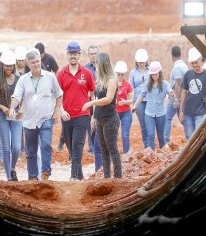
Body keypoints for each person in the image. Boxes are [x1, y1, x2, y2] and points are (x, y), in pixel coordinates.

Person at [8, 48, 63, 181]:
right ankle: (32, 177)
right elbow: (16, 96)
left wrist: (56, 111)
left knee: (45, 144)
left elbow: (59, 94)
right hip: (29, 120)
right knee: (31, 150)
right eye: (33, 62)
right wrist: (12, 108)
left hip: (46, 118)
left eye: (38, 61)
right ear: (28, 63)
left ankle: (45, 172)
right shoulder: (23, 80)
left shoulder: (50, 77)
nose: (36, 64)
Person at [56, 41, 96, 181]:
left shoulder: (87, 73)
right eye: (70, 53)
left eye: (75, 53)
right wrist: (61, 110)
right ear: (67, 55)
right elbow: (57, 95)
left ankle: (73, 176)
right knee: (71, 148)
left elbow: (92, 93)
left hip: (82, 115)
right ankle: (80, 175)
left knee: (77, 146)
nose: (73, 56)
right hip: (66, 116)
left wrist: (93, 115)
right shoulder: (61, 74)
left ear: (79, 55)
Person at [82, 52, 122, 178]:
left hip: (110, 119)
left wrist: (90, 103)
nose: (96, 66)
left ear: (103, 64)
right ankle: (106, 177)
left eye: (97, 64)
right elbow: (99, 100)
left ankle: (118, 178)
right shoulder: (100, 80)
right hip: (100, 119)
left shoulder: (112, 80)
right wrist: (93, 117)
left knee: (112, 149)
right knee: (103, 150)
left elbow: (108, 99)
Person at [0, 49, 22, 181]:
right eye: (6, 65)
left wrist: (22, 109)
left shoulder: (19, 79)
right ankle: (9, 177)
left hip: (16, 116)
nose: (9, 68)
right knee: (6, 146)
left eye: (11, 65)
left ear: (13, 65)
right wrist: (2, 107)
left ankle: (12, 168)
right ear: (2, 65)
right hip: (2, 115)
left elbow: (24, 97)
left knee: (16, 147)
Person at [131, 61, 175, 150]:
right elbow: (142, 95)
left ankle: (163, 158)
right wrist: (135, 105)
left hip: (161, 114)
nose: (154, 76)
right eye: (152, 74)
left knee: (161, 137)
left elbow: (171, 93)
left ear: (159, 73)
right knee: (150, 135)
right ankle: (152, 155)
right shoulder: (147, 84)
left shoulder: (165, 84)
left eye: (156, 74)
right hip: (149, 114)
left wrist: (173, 96)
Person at [179, 48, 206, 141]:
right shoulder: (187, 74)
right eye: (192, 63)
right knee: (190, 138)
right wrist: (181, 110)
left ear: (201, 60)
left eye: (196, 62)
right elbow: (184, 92)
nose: (194, 65)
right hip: (188, 112)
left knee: (199, 137)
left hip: (200, 112)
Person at [164, 45, 189, 144]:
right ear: (180, 54)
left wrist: (177, 100)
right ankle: (189, 138)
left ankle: (165, 141)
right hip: (183, 96)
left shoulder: (176, 68)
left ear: (172, 56)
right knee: (182, 118)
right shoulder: (185, 66)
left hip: (176, 97)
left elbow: (178, 83)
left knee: (168, 118)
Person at [128, 48, 150, 148]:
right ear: (137, 61)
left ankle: (151, 145)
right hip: (138, 101)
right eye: (140, 62)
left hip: (149, 100)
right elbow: (130, 88)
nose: (141, 64)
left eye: (143, 62)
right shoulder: (133, 73)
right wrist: (132, 104)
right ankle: (147, 146)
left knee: (150, 122)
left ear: (146, 61)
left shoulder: (150, 71)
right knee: (143, 125)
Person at [114, 60, 134, 154]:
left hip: (126, 113)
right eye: (119, 74)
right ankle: (114, 155)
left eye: (122, 74)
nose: (120, 76)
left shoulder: (128, 85)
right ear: (116, 74)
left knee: (125, 135)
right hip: (115, 113)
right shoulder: (112, 84)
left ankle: (126, 155)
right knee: (114, 135)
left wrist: (124, 102)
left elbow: (131, 100)